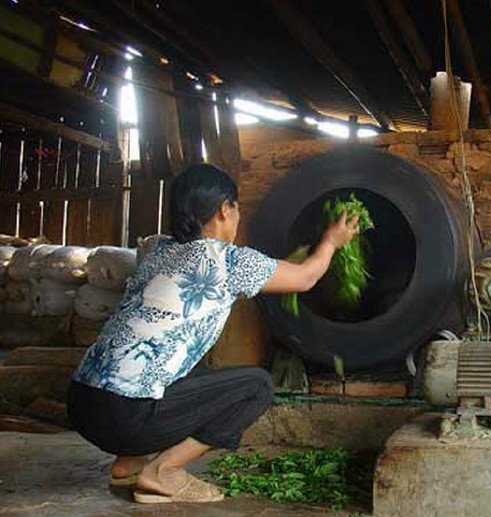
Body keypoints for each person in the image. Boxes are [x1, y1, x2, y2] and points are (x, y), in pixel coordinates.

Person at [67, 163, 359, 504]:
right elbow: (306, 277)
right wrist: (331, 241)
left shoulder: (158, 249)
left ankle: (129, 463)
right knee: (257, 387)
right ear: (225, 210)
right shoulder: (228, 261)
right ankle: (164, 472)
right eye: (236, 210)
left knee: (186, 370)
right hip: (125, 415)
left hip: (81, 403)